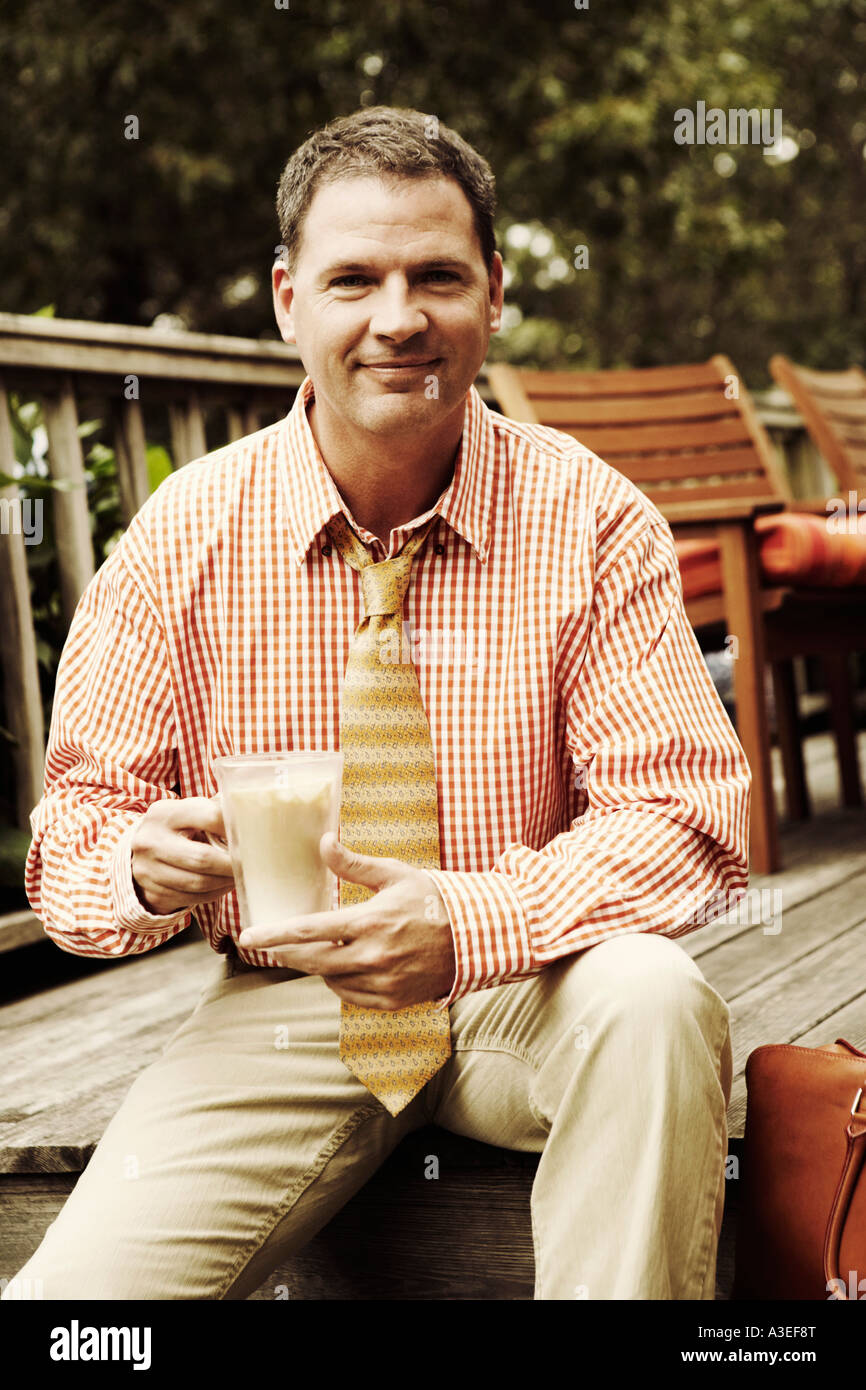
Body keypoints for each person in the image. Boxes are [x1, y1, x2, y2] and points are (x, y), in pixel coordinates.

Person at [4, 106, 747, 1301]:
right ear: (290, 299)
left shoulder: (592, 518)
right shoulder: (179, 539)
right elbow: (75, 838)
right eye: (355, 277)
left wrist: (463, 919)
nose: (398, 318)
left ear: (492, 293)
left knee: (652, 995)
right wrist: (139, 866)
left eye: (436, 276)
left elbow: (684, 818)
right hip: (285, 1013)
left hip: (533, 986)